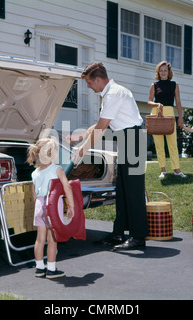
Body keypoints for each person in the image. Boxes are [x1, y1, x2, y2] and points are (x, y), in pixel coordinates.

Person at [69, 62, 148, 251]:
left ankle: (138, 237)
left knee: (134, 192)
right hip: (127, 140)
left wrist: (81, 151)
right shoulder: (111, 93)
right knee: (121, 191)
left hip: (133, 140)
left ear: (97, 79)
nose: (88, 86)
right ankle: (118, 233)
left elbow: (101, 129)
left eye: (89, 83)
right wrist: (77, 137)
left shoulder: (113, 94)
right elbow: (98, 125)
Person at [27, 137, 74, 279]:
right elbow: (67, 187)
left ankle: (39, 268)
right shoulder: (57, 169)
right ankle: (52, 269)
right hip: (53, 205)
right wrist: (70, 205)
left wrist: (38, 208)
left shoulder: (34, 173)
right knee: (52, 238)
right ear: (50, 154)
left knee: (39, 239)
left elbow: (34, 194)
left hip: (39, 205)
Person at [147, 61, 187, 179]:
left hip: (170, 113)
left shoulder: (174, 84)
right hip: (156, 113)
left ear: (169, 72)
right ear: (158, 72)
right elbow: (149, 101)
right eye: (161, 70)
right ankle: (163, 170)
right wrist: (157, 104)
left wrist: (180, 118)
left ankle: (176, 170)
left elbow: (178, 103)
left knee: (172, 143)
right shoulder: (154, 85)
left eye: (165, 70)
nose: (163, 72)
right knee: (159, 145)